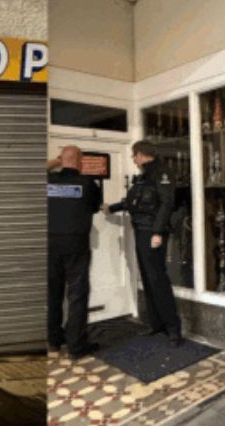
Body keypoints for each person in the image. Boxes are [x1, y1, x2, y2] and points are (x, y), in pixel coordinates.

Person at [103, 140, 183, 346]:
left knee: (158, 279)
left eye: (134, 155)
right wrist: (111, 208)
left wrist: (157, 232)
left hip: (152, 233)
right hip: (141, 231)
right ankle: (156, 323)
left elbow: (166, 204)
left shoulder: (162, 173)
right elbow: (133, 202)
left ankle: (173, 328)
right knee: (147, 278)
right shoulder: (143, 177)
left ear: (142, 155)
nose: (133, 159)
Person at [46, 145, 102, 358]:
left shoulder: (48, 181)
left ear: (61, 159)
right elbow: (95, 207)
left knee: (53, 293)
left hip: (50, 244)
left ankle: (53, 341)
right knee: (77, 294)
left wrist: (57, 161)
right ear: (80, 161)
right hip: (76, 245)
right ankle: (76, 346)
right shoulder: (88, 184)